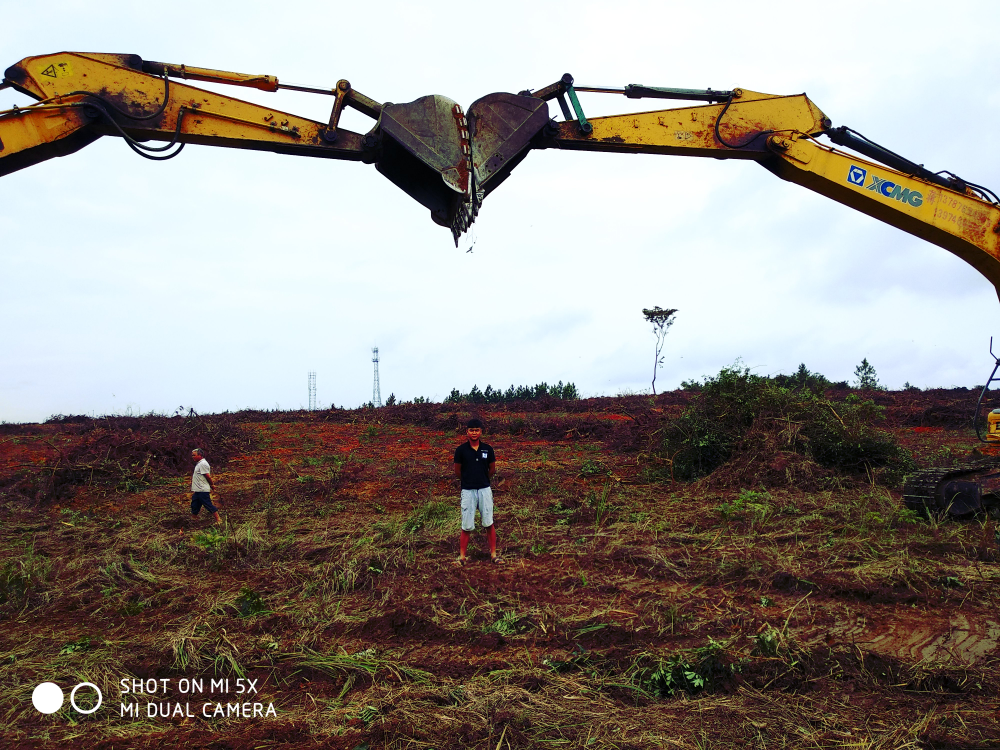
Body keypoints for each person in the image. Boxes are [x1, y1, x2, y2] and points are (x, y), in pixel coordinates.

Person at [453, 418, 498, 565]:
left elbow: (492, 469)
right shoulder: (461, 450)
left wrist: (483, 479)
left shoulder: (488, 449)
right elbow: (457, 471)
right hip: (468, 491)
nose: (474, 433)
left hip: (484, 489)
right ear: (467, 432)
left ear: (481, 431)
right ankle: (462, 557)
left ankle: (493, 555)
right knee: (466, 525)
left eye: (477, 430)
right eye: (471, 430)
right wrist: (468, 481)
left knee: (489, 523)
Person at [190, 448, 222, 525]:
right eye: (192, 455)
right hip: (198, 490)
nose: (192, 457)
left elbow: (207, 476)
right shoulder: (199, 463)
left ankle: (219, 520)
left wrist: (212, 485)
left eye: (194, 455)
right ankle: (193, 520)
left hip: (202, 490)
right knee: (195, 505)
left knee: (207, 504)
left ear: (200, 455)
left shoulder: (203, 464)